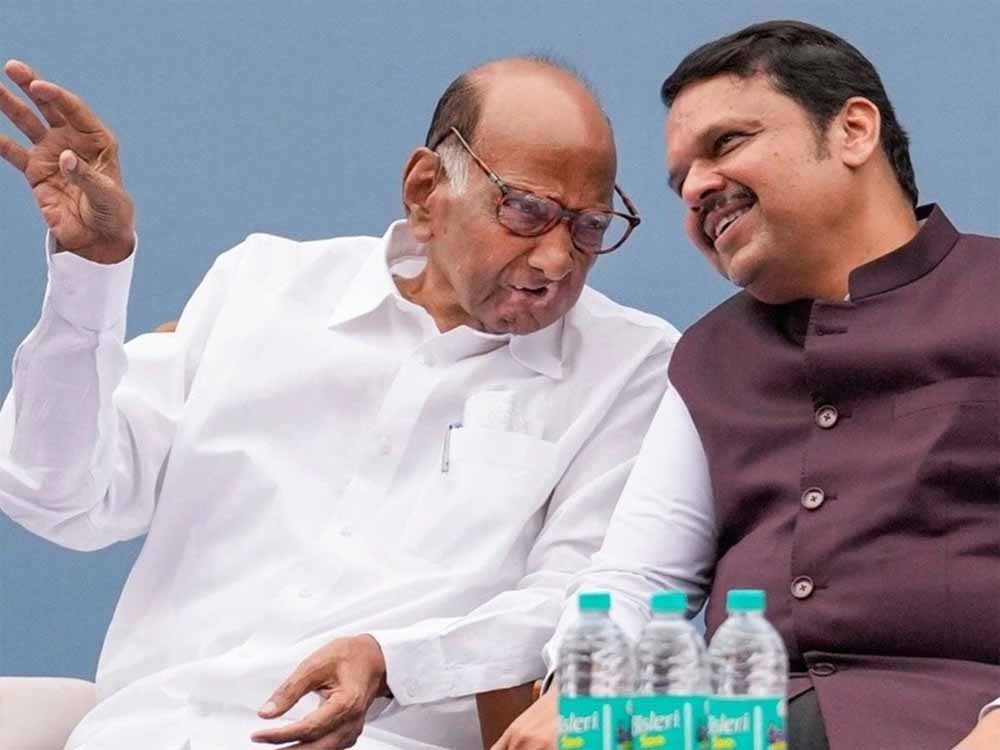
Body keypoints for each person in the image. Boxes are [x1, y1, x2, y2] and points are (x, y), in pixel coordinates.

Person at [0, 56, 678, 749]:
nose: (559, 259)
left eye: (589, 227)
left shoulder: (627, 366)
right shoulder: (260, 286)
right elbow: (58, 497)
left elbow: (584, 600)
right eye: (527, 211)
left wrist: (394, 663)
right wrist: (90, 272)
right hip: (146, 730)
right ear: (425, 190)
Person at [496, 20, 999, 750]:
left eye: (727, 143)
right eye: (681, 182)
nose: (698, 188)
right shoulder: (708, 358)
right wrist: (581, 692)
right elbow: (639, 576)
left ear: (854, 131)